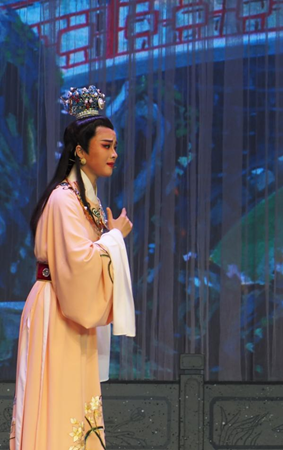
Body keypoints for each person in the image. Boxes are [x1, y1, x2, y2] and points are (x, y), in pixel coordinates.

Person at [10, 86, 134, 450]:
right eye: (106, 146)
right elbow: (78, 261)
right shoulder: (64, 199)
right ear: (81, 151)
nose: (114, 154)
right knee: (58, 401)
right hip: (58, 308)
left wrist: (109, 238)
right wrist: (114, 238)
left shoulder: (83, 198)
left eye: (115, 146)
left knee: (76, 402)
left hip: (70, 308)